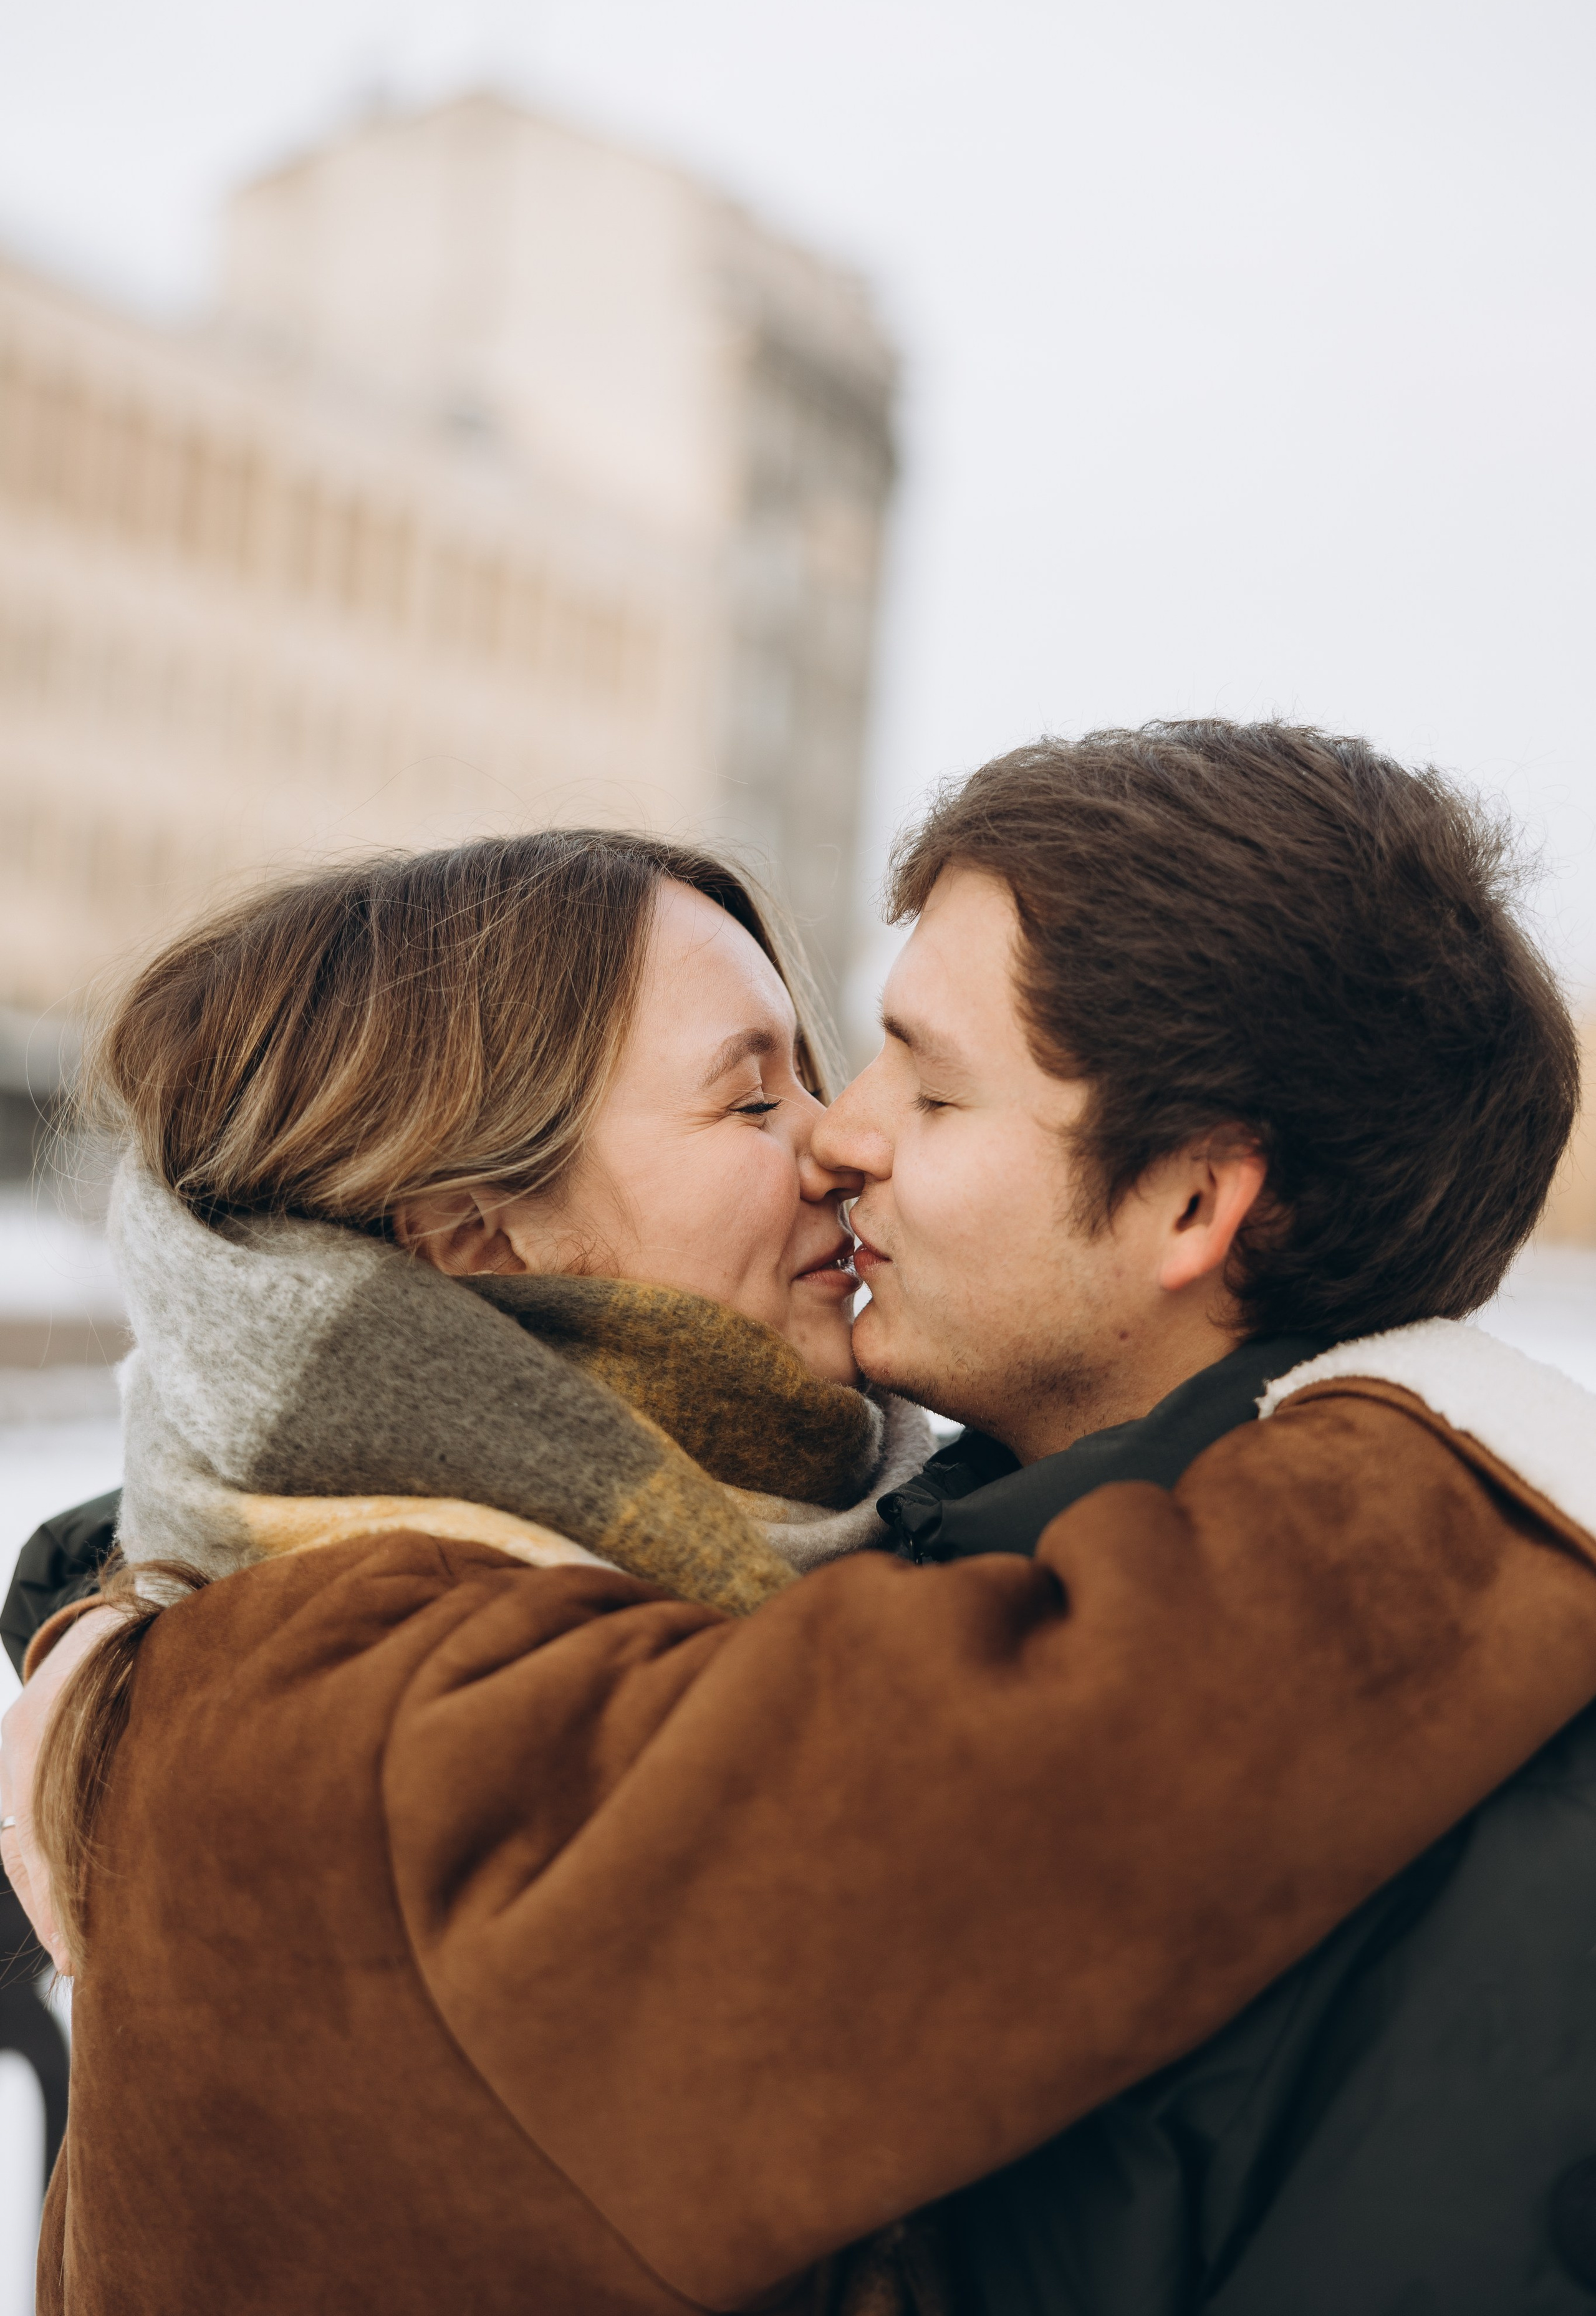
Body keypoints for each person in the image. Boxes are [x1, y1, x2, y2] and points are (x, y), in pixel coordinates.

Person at [7, 724, 1596, 2315]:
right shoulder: (333, 1695)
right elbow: (1018, 1767)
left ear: (1193, 1202)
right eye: (748, 1099)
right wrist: (1464, 1458)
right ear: (478, 1235)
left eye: (919, 1087)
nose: (837, 1138)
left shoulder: (720, 1571)